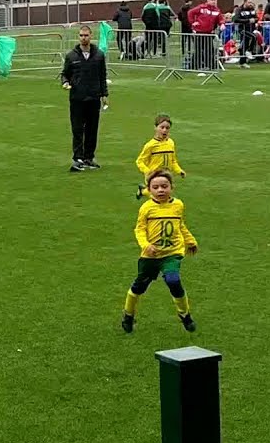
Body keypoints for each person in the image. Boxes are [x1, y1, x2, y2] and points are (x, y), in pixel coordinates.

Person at [121, 170, 198, 333]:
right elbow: (139, 229)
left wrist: (190, 241)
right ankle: (128, 314)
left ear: (172, 187)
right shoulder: (146, 208)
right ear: (149, 190)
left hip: (172, 253)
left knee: (173, 281)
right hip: (150, 256)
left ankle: (185, 315)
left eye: (164, 186)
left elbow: (180, 225)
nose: (161, 190)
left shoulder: (178, 205)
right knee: (138, 287)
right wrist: (145, 245)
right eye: (155, 187)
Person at [60, 25, 109, 172]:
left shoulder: (99, 55)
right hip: (77, 98)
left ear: (91, 36)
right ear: (78, 37)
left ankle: (89, 157)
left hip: (93, 98)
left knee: (92, 129)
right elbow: (64, 74)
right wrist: (65, 82)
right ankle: (77, 158)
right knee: (77, 129)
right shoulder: (71, 56)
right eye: (81, 35)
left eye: (86, 35)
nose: (84, 38)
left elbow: (102, 76)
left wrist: (104, 94)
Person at [135, 114, 185, 200]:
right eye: (162, 127)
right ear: (155, 127)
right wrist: (148, 171)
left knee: (165, 196)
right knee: (157, 199)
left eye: (167, 128)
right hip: (153, 176)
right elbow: (139, 161)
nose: (164, 130)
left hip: (167, 176)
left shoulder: (171, 143)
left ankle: (142, 191)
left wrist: (179, 171)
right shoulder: (150, 145)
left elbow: (173, 161)